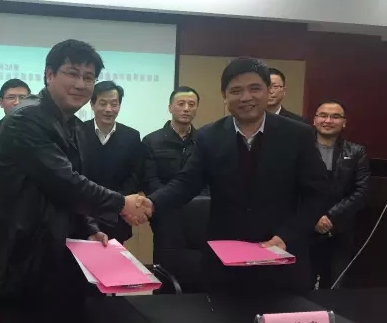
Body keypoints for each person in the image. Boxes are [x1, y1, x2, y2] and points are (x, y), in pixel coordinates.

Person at [0, 39, 151, 304]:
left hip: (48, 256)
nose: (80, 84)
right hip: (13, 258)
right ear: (49, 74)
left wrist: (88, 227)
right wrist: (122, 203)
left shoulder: (74, 125)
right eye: (72, 73)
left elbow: (71, 187)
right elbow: (64, 181)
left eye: (88, 77)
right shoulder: (26, 118)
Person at [144, 57, 329, 293]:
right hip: (225, 263)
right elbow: (186, 183)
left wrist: (287, 236)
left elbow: (318, 194)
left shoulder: (298, 135)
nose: (246, 97)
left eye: (254, 88)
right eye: (236, 91)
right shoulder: (210, 136)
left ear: (268, 91)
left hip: (283, 257)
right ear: (224, 96)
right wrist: (151, 203)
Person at [311, 100, 370, 289]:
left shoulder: (356, 152)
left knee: (335, 289)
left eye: (335, 116)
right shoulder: (299, 149)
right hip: (304, 229)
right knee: (301, 288)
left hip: (340, 231)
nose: (328, 120)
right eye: (323, 115)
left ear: (344, 122)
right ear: (314, 120)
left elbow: (362, 191)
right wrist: (314, 217)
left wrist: (330, 216)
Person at [81, 81, 141, 244]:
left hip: (117, 215)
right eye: (103, 103)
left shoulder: (132, 136)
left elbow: (135, 175)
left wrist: (117, 204)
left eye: (114, 104)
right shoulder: (77, 132)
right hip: (82, 214)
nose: (108, 109)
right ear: (92, 104)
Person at [142, 86, 200, 195]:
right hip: (161, 201)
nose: (186, 109)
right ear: (170, 108)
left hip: (198, 202)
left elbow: (208, 179)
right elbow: (150, 180)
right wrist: (169, 198)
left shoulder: (203, 140)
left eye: (191, 104)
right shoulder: (150, 141)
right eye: (181, 104)